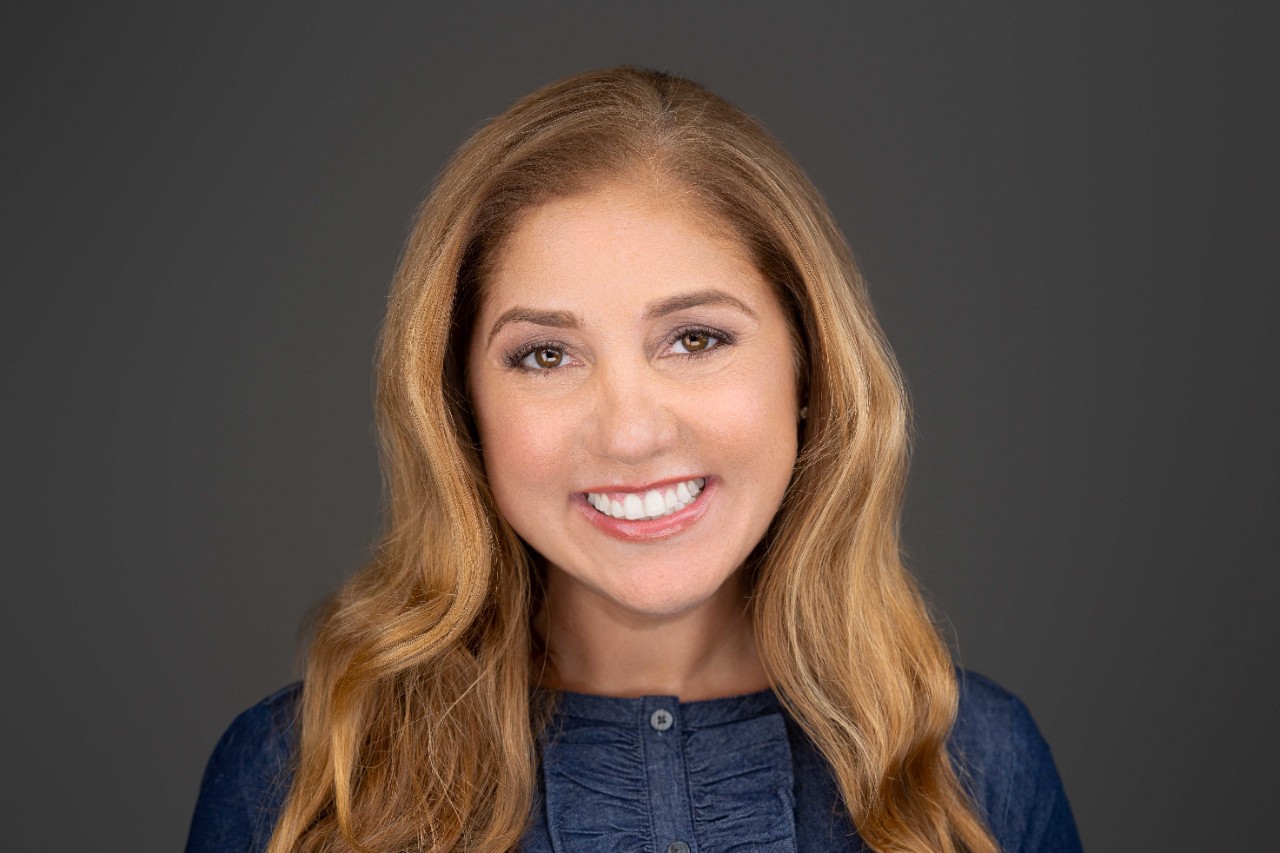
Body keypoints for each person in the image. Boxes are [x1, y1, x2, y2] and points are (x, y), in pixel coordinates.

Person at [185, 66, 1081, 853]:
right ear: (460, 405)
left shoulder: (976, 765)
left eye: (695, 338)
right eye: (545, 354)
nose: (629, 432)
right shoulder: (302, 779)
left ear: (809, 366)